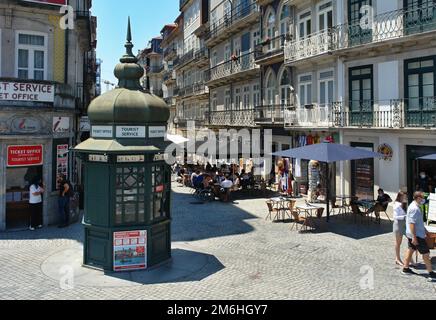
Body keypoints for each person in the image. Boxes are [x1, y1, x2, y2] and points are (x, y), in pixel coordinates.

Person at [402, 191, 436, 282]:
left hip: (413, 234)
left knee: (411, 249)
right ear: (418, 198)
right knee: (426, 253)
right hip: (417, 235)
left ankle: (405, 268)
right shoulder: (414, 209)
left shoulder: (415, 206)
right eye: (422, 197)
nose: (423, 199)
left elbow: (418, 222)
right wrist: (414, 237)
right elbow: (412, 224)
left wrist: (426, 231)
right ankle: (431, 273)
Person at [393, 192, 414, 267]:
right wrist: (405, 216)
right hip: (398, 224)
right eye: (404, 197)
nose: (405, 198)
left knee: (410, 240)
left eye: (406, 197)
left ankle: (409, 259)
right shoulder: (397, 204)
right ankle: (397, 259)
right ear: (400, 196)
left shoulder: (405, 204)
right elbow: (396, 216)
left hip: (405, 224)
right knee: (398, 243)